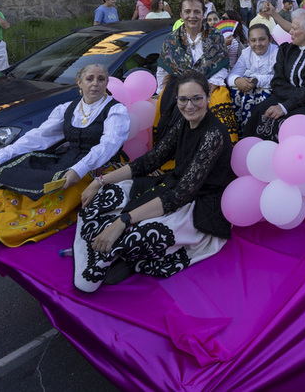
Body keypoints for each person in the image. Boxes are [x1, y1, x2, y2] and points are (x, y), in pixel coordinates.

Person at [73, 70, 235, 290]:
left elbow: (182, 195)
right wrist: (99, 181)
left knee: (141, 234)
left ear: (207, 98)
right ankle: (114, 249)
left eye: (197, 98)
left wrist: (124, 220)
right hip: (173, 186)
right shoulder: (184, 123)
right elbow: (151, 160)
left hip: (199, 203)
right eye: (183, 99)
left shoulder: (213, 134)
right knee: (105, 195)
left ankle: (126, 256)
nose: (190, 105)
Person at [0, 64, 130, 245]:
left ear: (107, 83)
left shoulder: (116, 110)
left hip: (100, 165)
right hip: (69, 157)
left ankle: (20, 227)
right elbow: (39, 136)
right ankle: (8, 213)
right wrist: (0, 157)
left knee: (58, 187)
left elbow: (108, 145)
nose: (95, 84)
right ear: (79, 83)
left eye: (101, 79)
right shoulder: (68, 108)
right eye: (89, 79)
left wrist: (79, 169)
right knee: (21, 164)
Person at [243, 9, 305, 140]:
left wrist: (284, 107)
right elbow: (277, 83)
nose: (290, 32)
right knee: (259, 112)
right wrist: (304, 99)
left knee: (289, 124)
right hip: (296, 97)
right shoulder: (286, 50)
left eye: (294, 28)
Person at [155, 0, 237, 140]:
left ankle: (220, 148)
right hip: (179, 85)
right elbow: (163, 69)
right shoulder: (171, 39)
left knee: (219, 102)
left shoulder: (216, 36)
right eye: (187, 11)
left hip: (209, 83)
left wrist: (211, 85)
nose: (192, 16)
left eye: (197, 12)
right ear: (181, 14)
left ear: (203, 13)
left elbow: (222, 65)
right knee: (165, 108)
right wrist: (162, 92)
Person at [227, 24, 279, 129]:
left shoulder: (277, 52)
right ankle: (240, 130)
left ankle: (257, 130)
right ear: (248, 42)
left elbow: (278, 77)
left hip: (270, 91)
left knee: (260, 93)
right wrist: (238, 80)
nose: (258, 44)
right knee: (236, 90)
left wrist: (255, 80)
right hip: (250, 88)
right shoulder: (246, 53)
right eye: (253, 40)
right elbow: (232, 75)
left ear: (269, 40)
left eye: (262, 39)